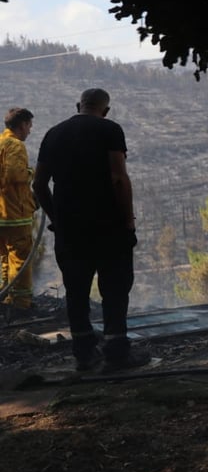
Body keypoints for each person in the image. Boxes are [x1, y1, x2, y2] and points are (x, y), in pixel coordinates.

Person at [32, 89, 146, 371]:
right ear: (105, 110)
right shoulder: (109, 129)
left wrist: (56, 217)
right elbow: (119, 177)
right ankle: (117, 353)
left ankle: (84, 353)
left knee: (77, 291)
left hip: (70, 230)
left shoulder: (53, 134)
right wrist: (128, 220)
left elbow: (38, 185)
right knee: (116, 290)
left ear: (78, 106)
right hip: (109, 227)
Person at [1, 108, 37, 311]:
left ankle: (6, 296)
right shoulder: (15, 145)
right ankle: (21, 303)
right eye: (29, 126)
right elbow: (16, 174)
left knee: (6, 257)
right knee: (21, 257)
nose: (29, 131)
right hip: (15, 214)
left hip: (1, 215)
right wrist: (31, 172)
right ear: (22, 124)